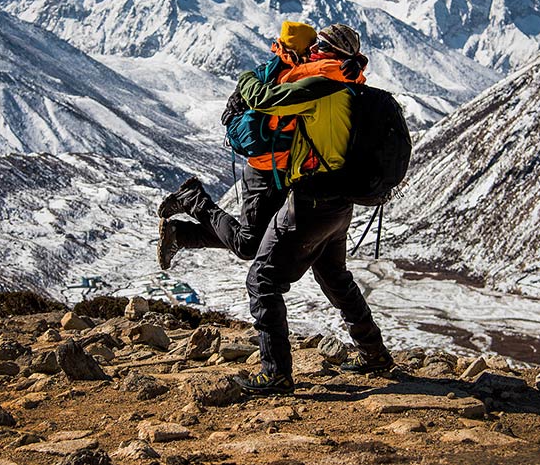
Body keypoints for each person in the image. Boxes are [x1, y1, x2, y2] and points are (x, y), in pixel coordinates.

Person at [231, 23, 392, 396]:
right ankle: (375, 354)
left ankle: (276, 373)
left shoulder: (319, 85)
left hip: (313, 200)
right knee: (335, 276)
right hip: (340, 202)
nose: (313, 51)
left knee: (263, 280)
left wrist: (245, 76)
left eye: (318, 46)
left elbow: (264, 99)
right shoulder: (353, 82)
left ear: (327, 51)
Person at [155, 21, 319, 268]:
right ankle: (193, 200)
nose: (315, 53)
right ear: (302, 50)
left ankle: (180, 234)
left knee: (259, 240)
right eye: (312, 48)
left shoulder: (274, 72)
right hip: (265, 173)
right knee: (248, 245)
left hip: (276, 171)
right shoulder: (290, 81)